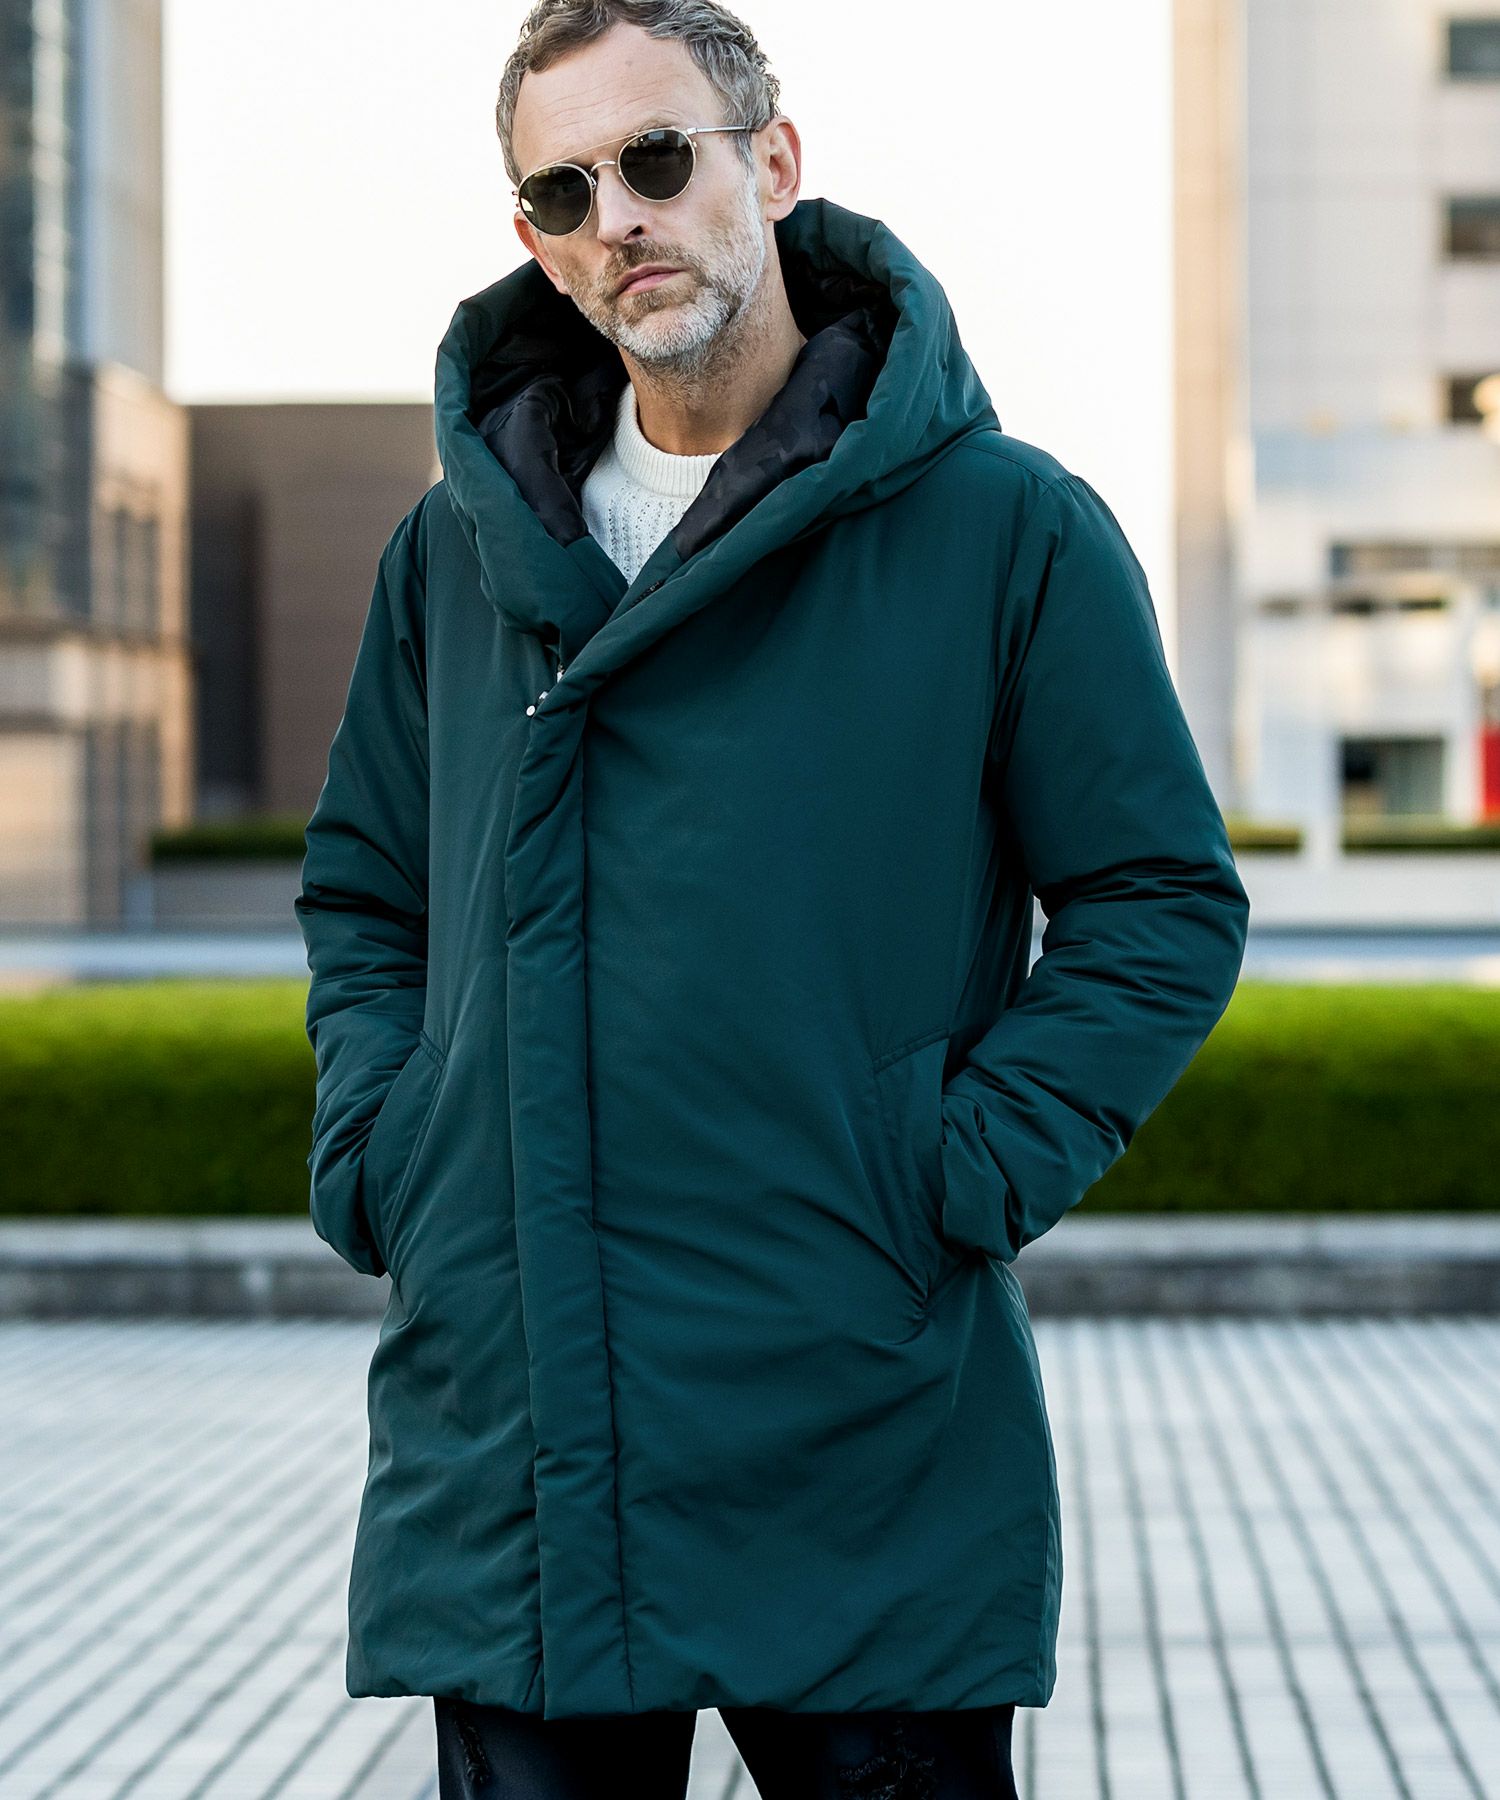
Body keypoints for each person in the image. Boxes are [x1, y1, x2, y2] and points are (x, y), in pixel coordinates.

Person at [294, 2, 1252, 1795]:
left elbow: (1157, 901)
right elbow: (368, 893)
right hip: (519, 1443)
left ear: (776, 163)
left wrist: (953, 1171)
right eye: (563, 192)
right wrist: (389, 1145)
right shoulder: (453, 554)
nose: (618, 218)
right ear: (535, 241)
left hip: (852, 1426)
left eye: (658, 159)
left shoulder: (1004, 532)